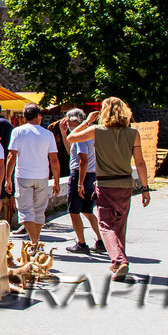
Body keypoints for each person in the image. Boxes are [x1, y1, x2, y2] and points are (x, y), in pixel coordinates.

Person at [66, 98, 150, 281]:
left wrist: (87, 121)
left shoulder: (97, 130)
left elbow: (70, 137)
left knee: (105, 225)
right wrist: (145, 188)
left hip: (105, 183)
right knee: (120, 223)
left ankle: (119, 261)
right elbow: (140, 162)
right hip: (125, 184)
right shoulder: (133, 133)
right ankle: (118, 261)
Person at [7, 103, 61, 247]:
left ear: (25, 117)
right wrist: (56, 180)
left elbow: (11, 157)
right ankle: (35, 242)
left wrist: (8, 178)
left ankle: (34, 242)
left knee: (25, 211)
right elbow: (54, 160)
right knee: (39, 211)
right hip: (42, 175)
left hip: (23, 175)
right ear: (38, 116)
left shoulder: (18, 132)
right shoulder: (47, 134)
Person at [61, 108, 104, 255]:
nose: (67, 123)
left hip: (81, 174)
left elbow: (82, 160)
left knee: (74, 211)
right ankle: (100, 240)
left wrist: (79, 183)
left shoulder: (80, 136)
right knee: (87, 210)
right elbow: (71, 152)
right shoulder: (89, 134)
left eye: (69, 120)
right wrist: (63, 132)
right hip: (91, 174)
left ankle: (81, 243)